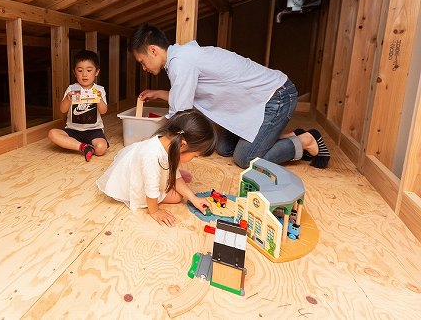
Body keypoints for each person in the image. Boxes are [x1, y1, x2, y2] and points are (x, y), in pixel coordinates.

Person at [130, 24, 330, 170]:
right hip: (256, 102)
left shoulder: (180, 63)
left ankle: (305, 140)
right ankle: (286, 135)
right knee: (223, 147)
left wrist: (152, 142)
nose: (144, 67)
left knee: (245, 159)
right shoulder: (181, 56)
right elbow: (185, 95)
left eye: (141, 61)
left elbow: (180, 115)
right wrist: (157, 94)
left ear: (153, 50)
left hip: (276, 98)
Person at [97, 109, 216, 227]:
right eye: (195, 155)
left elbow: (175, 175)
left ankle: (166, 176)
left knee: (176, 179)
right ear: (182, 145)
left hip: (145, 164)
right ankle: (164, 178)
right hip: (134, 181)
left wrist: (193, 198)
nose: (193, 158)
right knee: (177, 197)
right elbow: (151, 189)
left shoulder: (171, 144)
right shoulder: (152, 157)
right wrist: (154, 210)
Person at [48, 49, 109, 161]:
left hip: (93, 130)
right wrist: (68, 99)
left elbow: (104, 111)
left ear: (96, 72)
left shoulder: (99, 90)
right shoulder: (72, 89)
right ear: (74, 73)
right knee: (52, 134)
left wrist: (99, 99)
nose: (84, 74)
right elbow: (62, 110)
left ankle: (77, 145)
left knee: (101, 148)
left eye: (89, 70)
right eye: (80, 70)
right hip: (73, 130)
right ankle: (83, 147)